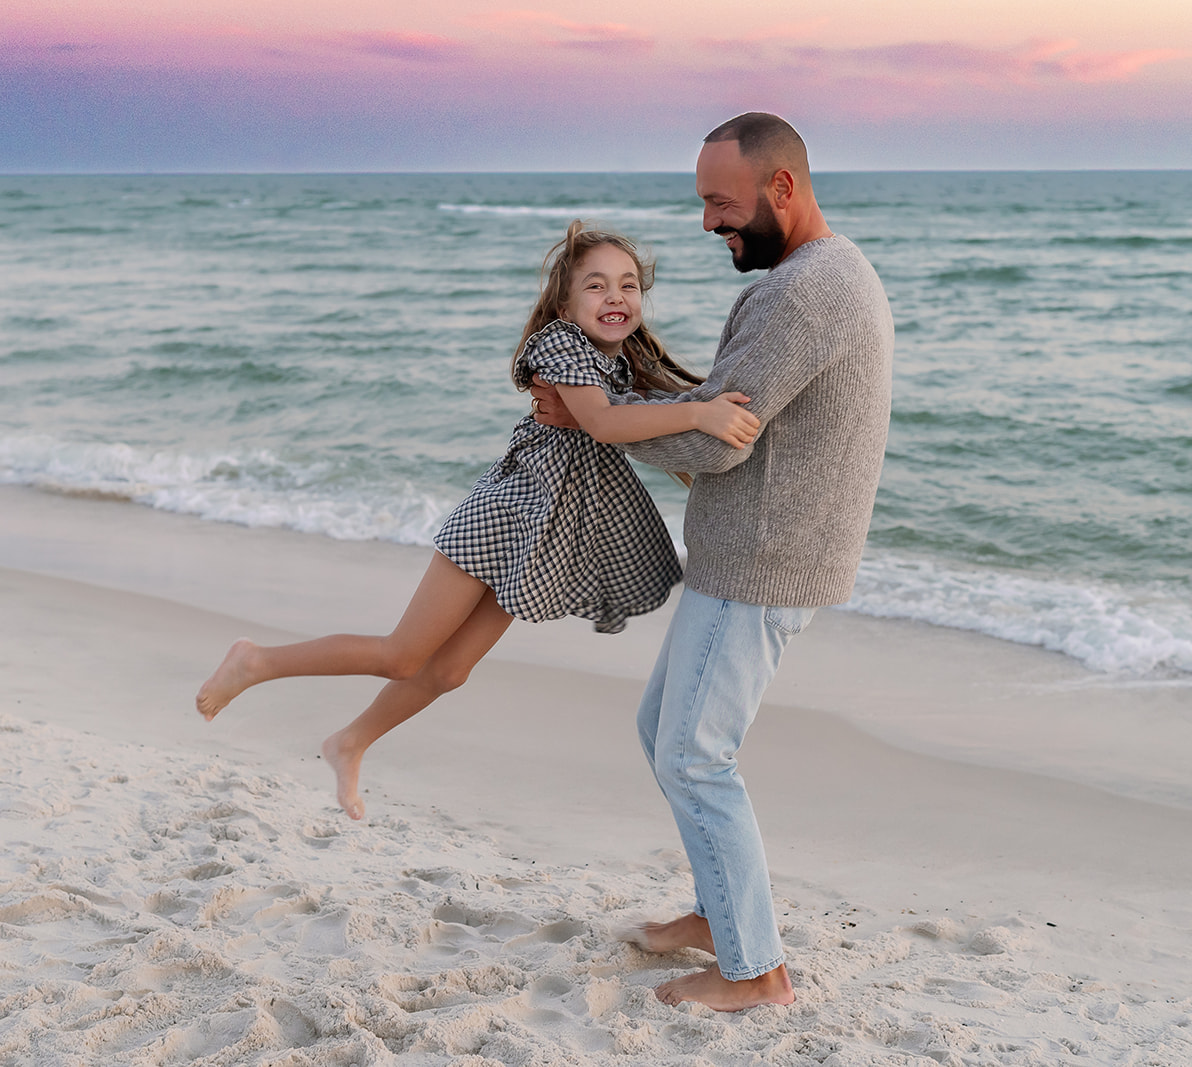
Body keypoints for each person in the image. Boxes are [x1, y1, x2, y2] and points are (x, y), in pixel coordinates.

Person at [196, 222, 762, 821]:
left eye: (628, 285)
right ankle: (255, 661)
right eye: (596, 286)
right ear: (565, 302)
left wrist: (711, 422)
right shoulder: (563, 346)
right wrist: (698, 413)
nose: (615, 297)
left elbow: (642, 414)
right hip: (502, 515)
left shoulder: (619, 359)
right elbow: (607, 424)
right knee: (400, 655)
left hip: (543, 531)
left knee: (450, 669)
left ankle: (350, 742)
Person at [531, 113, 894, 1012]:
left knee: (696, 756)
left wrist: (594, 416)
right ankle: (715, 913)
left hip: (763, 561)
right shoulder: (826, 271)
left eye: (720, 204)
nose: (707, 223)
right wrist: (647, 405)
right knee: (666, 732)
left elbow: (720, 442)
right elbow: (714, 409)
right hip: (760, 550)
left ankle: (758, 973)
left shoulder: (800, 295)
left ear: (781, 189)